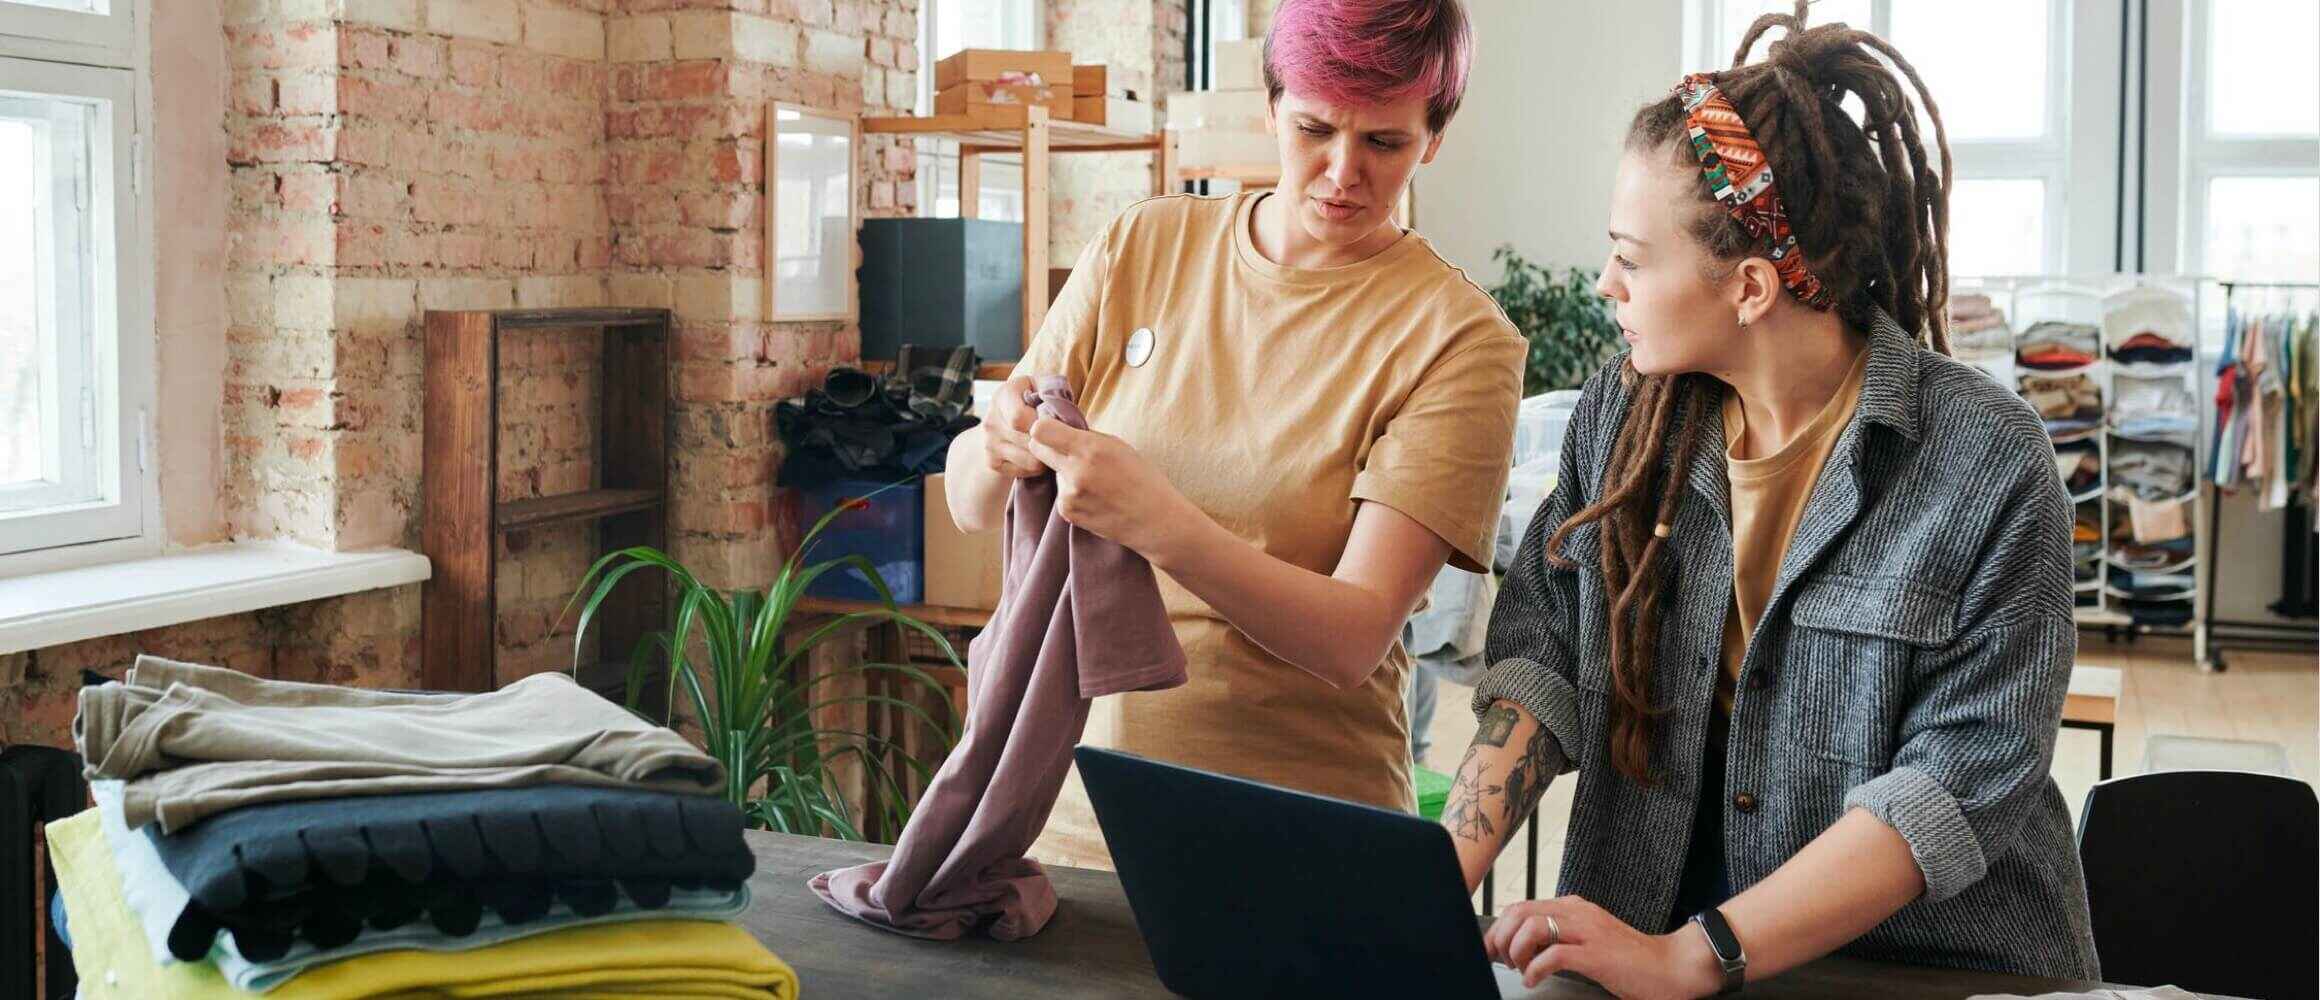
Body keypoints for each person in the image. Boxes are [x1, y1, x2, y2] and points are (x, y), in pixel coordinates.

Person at [1441, 4, 2101, 995]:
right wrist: (1430, 885)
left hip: (1926, 968)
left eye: (1632, 257)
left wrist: (1692, 954)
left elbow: (1949, 789)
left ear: (1750, 288)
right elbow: (1544, 660)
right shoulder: (1623, 416)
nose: (1605, 283)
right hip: (1653, 927)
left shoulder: (1986, 462)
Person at [941, 0, 1525, 870]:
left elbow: (1351, 638)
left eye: (1384, 142)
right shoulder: (1142, 246)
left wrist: (1157, 521)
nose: (1342, 172)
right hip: (1061, 819)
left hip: (1291, 841)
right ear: (1271, 106)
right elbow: (970, 504)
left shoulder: (1459, 339)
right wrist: (995, 444)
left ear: (1433, 138)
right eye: (1314, 129)